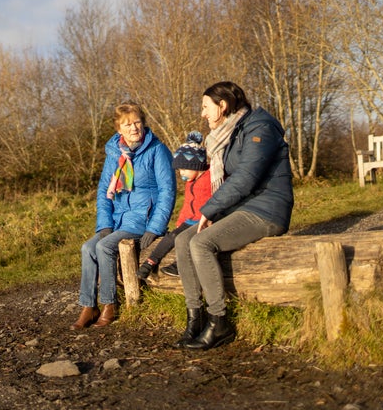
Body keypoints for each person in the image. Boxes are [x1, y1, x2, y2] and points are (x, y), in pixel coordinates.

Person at [173, 81, 294, 350]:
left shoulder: (260, 127)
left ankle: (220, 322)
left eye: (206, 107)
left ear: (223, 106)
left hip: (267, 209)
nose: (203, 113)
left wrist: (210, 209)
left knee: (201, 242)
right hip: (244, 208)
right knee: (183, 240)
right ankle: (195, 317)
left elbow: (246, 178)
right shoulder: (232, 132)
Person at [71, 100, 176, 330]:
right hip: (118, 217)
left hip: (142, 218)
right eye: (127, 124)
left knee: (105, 246)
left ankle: (110, 304)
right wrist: (104, 225)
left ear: (143, 124)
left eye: (137, 122)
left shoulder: (157, 150)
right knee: (88, 247)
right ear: (119, 129)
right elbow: (103, 192)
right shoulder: (114, 153)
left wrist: (155, 228)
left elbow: (168, 191)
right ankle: (89, 306)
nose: (133, 128)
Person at [136, 131, 212, 280]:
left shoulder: (210, 178)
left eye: (184, 169)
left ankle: (180, 265)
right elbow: (186, 205)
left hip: (204, 220)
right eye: (179, 170)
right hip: (190, 220)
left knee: (188, 240)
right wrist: (179, 222)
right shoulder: (190, 183)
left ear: (196, 165)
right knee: (171, 237)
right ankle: (150, 262)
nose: (181, 173)